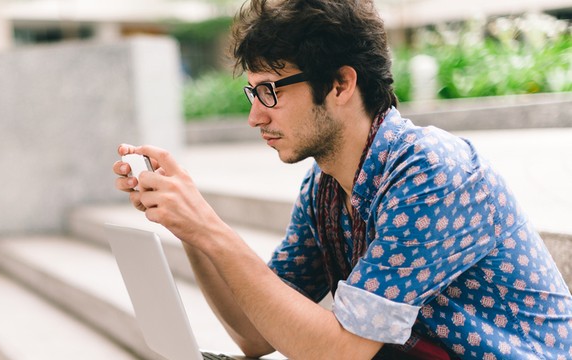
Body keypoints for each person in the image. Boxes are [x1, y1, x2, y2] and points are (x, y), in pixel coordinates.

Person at [113, 0, 572, 358]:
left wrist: (208, 226)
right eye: (252, 92)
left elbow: (339, 352)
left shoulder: (432, 174)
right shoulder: (326, 187)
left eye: (270, 91)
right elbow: (255, 335)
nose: (255, 116)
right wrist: (190, 226)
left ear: (339, 84)